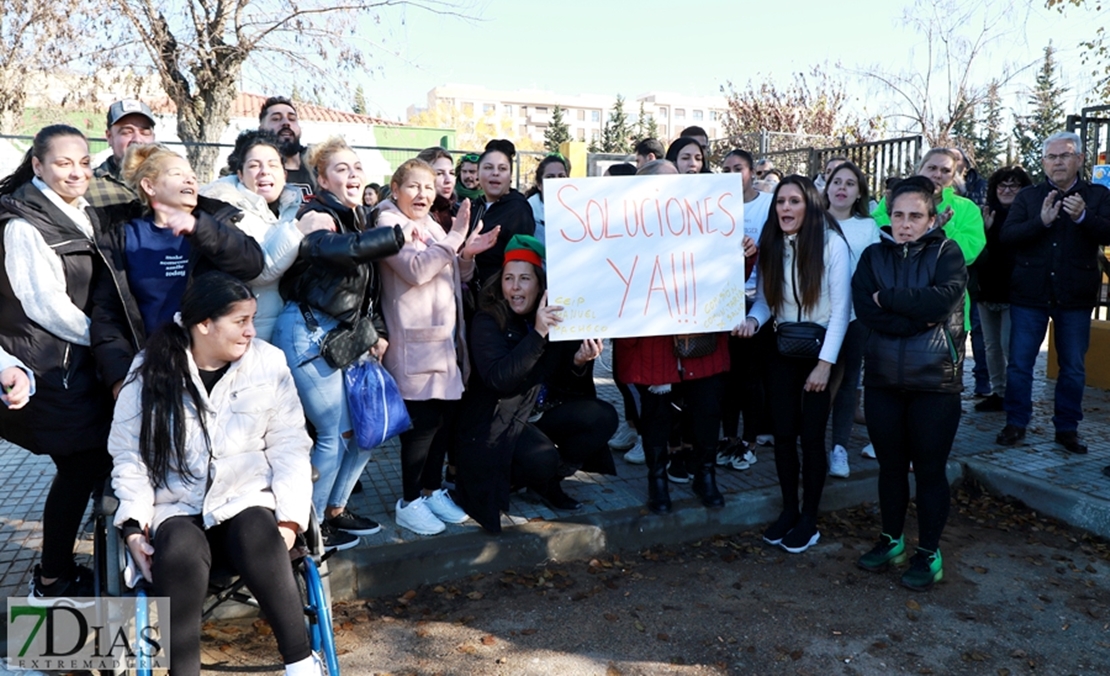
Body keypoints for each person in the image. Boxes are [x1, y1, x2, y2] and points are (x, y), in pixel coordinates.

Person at [109, 272, 322, 676]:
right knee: (178, 550)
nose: (250, 331)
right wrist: (133, 526)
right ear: (203, 324)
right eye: (240, 321)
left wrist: (292, 519)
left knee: (258, 530)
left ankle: (301, 663)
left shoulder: (268, 362)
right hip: (177, 506)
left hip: (243, 501)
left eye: (252, 319)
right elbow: (129, 456)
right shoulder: (150, 370)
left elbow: (291, 445)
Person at [0, 125, 126, 603]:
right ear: (38, 166)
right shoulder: (24, 224)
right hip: (52, 369)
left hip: (81, 364)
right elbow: (43, 305)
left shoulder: (80, 213)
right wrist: (111, 339)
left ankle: (74, 569)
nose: (77, 172)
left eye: (83, 163)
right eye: (63, 163)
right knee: (80, 466)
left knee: (89, 467)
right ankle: (52, 579)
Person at [272, 137, 403, 550]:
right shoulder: (317, 214)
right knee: (334, 433)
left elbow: (368, 286)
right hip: (308, 332)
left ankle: (334, 509)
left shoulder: (356, 215)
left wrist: (377, 331)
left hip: (345, 335)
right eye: (341, 169)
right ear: (323, 178)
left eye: (356, 167)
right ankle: (308, 529)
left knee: (367, 431)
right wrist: (395, 236)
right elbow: (339, 251)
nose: (351, 175)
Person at [456, 235, 617, 531]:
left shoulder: (553, 317)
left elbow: (562, 381)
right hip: (497, 419)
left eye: (524, 279)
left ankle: (547, 481)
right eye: (508, 278)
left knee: (603, 416)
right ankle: (530, 476)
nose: (515, 287)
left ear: (540, 285)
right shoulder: (488, 320)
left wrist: (579, 362)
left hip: (537, 411)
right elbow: (499, 378)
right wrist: (537, 334)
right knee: (542, 458)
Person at [852, 178, 967, 591]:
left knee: (931, 471)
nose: (905, 224)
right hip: (883, 381)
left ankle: (929, 551)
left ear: (931, 218)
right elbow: (866, 307)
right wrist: (914, 315)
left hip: (934, 383)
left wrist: (892, 299)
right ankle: (891, 538)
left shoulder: (946, 253)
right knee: (891, 468)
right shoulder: (872, 256)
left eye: (915, 216)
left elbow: (943, 301)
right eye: (898, 215)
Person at [376, 159, 499, 535]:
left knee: (442, 422)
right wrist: (454, 238)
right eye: (413, 186)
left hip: (444, 343)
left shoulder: (430, 225)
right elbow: (415, 271)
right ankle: (409, 500)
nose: (423, 194)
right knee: (421, 426)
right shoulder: (388, 224)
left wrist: (466, 256)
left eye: (428, 187)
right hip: (413, 342)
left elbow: (450, 274)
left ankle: (430, 491)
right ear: (394, 189)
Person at [90, 144, 265, 397]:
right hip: (151, 368)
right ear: (150, 186)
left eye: (192, 176)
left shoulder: (213, 222)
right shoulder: (122, 236)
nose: (189, 179)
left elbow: (252, 264)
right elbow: (107, 314)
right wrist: (118, 377)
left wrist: (198, 229)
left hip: (213, 367)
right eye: (176, 174)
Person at [737, 175, 850, 554]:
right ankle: (789, 510)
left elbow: (840, 311)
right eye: (781, 202)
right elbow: (767, 301)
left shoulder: (832, 245)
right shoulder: (771, 244)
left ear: (810, 206)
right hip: (782, 349)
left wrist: (824, 365)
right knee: (784, 435)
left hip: (822, 350)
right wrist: (753, 321)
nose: (785, 208)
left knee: (812, 437)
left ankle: (809, 519)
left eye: (794, 201)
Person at [614, 159, 731, 515]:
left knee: (707, 411)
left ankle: (705, 475)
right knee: (656, 417)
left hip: (700, 340)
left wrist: (742, 254)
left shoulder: (705, 223)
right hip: (650, 345)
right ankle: (658, 481)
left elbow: (728, 278)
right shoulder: (622, 232)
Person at [996, 131, 1110, 454]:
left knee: (1072, 365)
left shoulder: (1097, 195)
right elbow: (1008, 237)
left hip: (1075, 295)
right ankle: (1016, 422)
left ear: (1080, 159)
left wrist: (1084, 217)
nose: (1058, 162)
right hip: (1029, 295)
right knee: (1019, 363)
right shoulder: (1029, 198)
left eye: (1065, 155)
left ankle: (1067, 428)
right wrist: (1041, 222)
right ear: (1044, 162)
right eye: (1052, 157)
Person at [200, 130, 334, 341]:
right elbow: (259, 271)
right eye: (254, 165)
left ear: (284, 174)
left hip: (294, 333)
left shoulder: (298, 208)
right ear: (240, 175)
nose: (264, 171)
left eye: (273, 165)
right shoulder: (226, 211)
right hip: (248, 337)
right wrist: (298, 231)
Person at [716, 149, 773, 471]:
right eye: (725, 169)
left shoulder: (767, 205)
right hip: (722, 303)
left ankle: (750, 441)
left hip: (759, 300)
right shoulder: (714, 207)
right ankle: (728, 438)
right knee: (726, 377)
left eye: (738, 168)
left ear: (752, 172)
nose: (732, 174)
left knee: (752, 378)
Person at [823, 161, 880, 478]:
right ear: (827, 187)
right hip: (816, 317)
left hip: (855, 318)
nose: (842, 188)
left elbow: (872, 273)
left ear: (859, 192)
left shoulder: (867, 226)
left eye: (850, 183)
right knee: (816, 381)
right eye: (836, 181)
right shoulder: (812, 221)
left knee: (847, 382)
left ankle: (839, 448)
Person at [973, 167, 1032, 413]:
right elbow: (977, 251)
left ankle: (1017, 395)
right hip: (987, 289)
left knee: (1009, 345)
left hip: (1014, 291)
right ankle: (998, 392)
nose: (1007, 191)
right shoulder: (986, 214)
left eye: (1013, 186)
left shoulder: (1028, 214)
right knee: (991, 345)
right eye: (1002, 186)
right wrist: (983, 230)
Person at [468, 139, 536, 285]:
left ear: (510, 175)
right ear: (478, 174)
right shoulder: (474, 206)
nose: (495, 173)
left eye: (502, 169)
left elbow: (521, 263)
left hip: (500, 299)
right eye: (488, 167)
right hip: (471, 297)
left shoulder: (518, 209)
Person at [85, 99, 156, 208]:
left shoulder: (171, 183)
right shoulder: (86, 187)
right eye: (127, 132)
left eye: (145, 133)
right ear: (109, 137)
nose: (137, 140)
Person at [259, 96, 316, 200]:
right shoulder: (252, 173)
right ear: (261, 129)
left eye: (292, 119)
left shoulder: (320, 168)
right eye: (276, 119)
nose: (286, 123)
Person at [524, 153, 570, 244]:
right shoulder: (526, 213)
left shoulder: (580, 209)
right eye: (550, 177)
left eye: (561, 176)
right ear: (539, 185)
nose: (556, 181)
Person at [415, 146, 457, 232]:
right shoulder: (411, 214)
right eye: (439, 173)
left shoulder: (459, 211)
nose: (448, 180)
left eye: (452, 173)